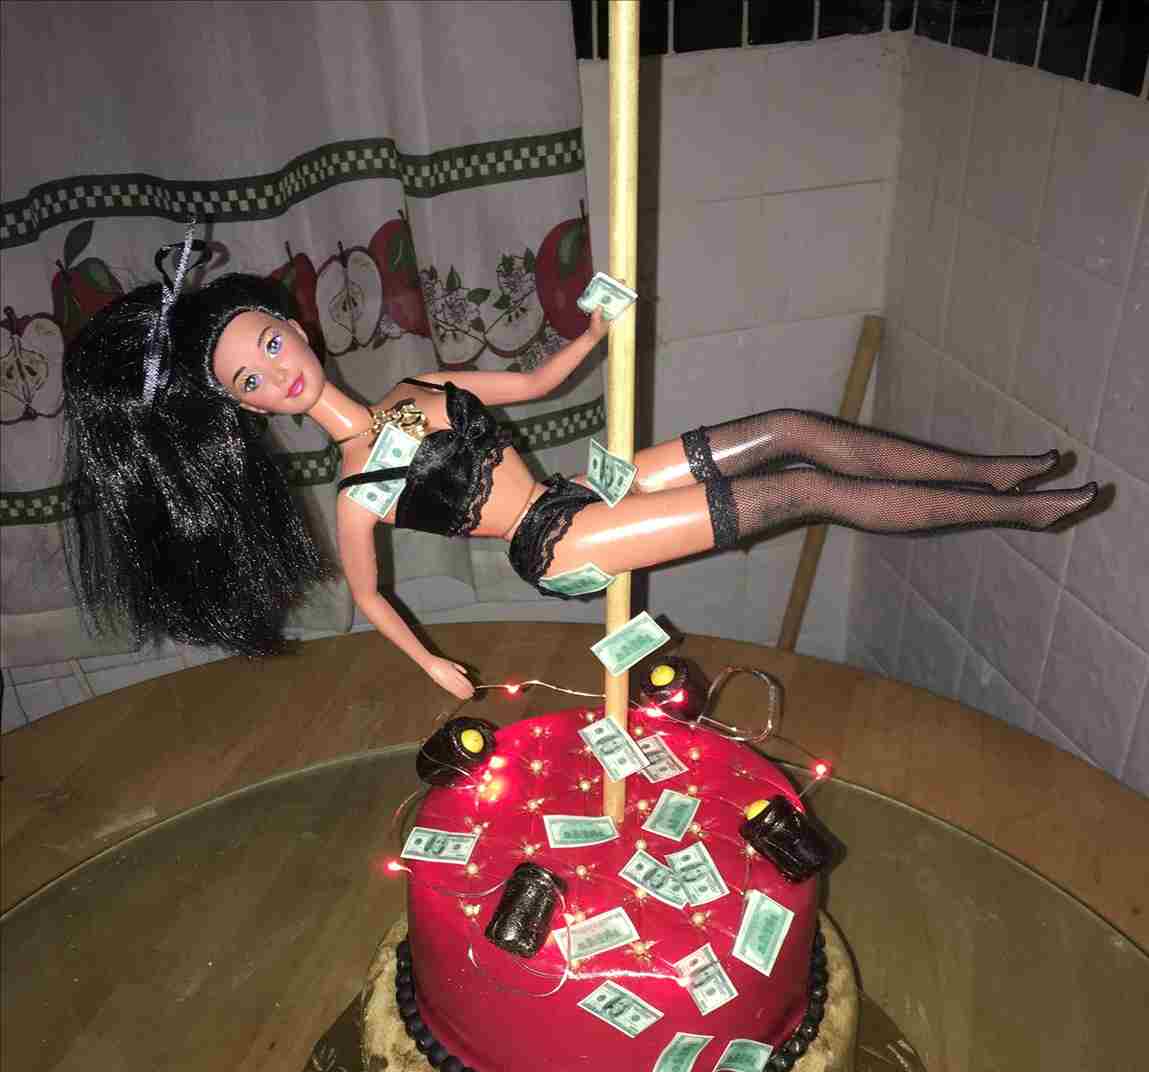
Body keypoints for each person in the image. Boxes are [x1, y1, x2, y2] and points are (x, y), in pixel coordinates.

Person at [63, 249, 1099, 700]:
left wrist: (600, 321)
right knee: (797, 491)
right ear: (248, 409)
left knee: (787, 427)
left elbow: (538, 378)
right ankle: (1019, 512)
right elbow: (368, 594)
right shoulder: (359, 482)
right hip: (554, 542)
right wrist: (431, 664)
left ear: (293, 323)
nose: (277, 373)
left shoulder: (419, 384)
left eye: (269, 345)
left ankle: (995, 472)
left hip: (580, 484)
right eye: (250, 381)